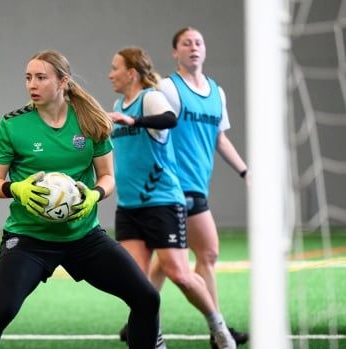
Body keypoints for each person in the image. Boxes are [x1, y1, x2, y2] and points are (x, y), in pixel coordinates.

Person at [0, 49, 160, 349]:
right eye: (28, 78)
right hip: (29, 238)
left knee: (147, 298)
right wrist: (16, 188)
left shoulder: (89, 120)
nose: (32, 84)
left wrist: (93, 196)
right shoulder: (12, 125)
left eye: (41, 78)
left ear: (63, 82)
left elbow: (108, 177)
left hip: (84, 236)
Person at [108, 47, 237, 349]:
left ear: (132, 73)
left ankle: (219, 328)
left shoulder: (150, 98)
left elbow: (169, 119)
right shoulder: (117, 104)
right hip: (129, 207)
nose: (110, 73)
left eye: (115, 68)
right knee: (137, 286)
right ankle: (155, 339)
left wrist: (134, 122)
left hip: (162, 202)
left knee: (179, 274)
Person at [154, 27, 250, 348]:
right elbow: (153, 134)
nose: (193, 47)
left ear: (204, 50)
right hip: (176, 188)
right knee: (207, 253)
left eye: (198, 42)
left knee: (167, 261)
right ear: (175, 52)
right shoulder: (168, 89)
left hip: (198, 185)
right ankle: (217, 330)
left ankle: (137, 319)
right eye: (186, 43)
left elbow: (220, 139)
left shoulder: (216, 92)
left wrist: (245, 171)